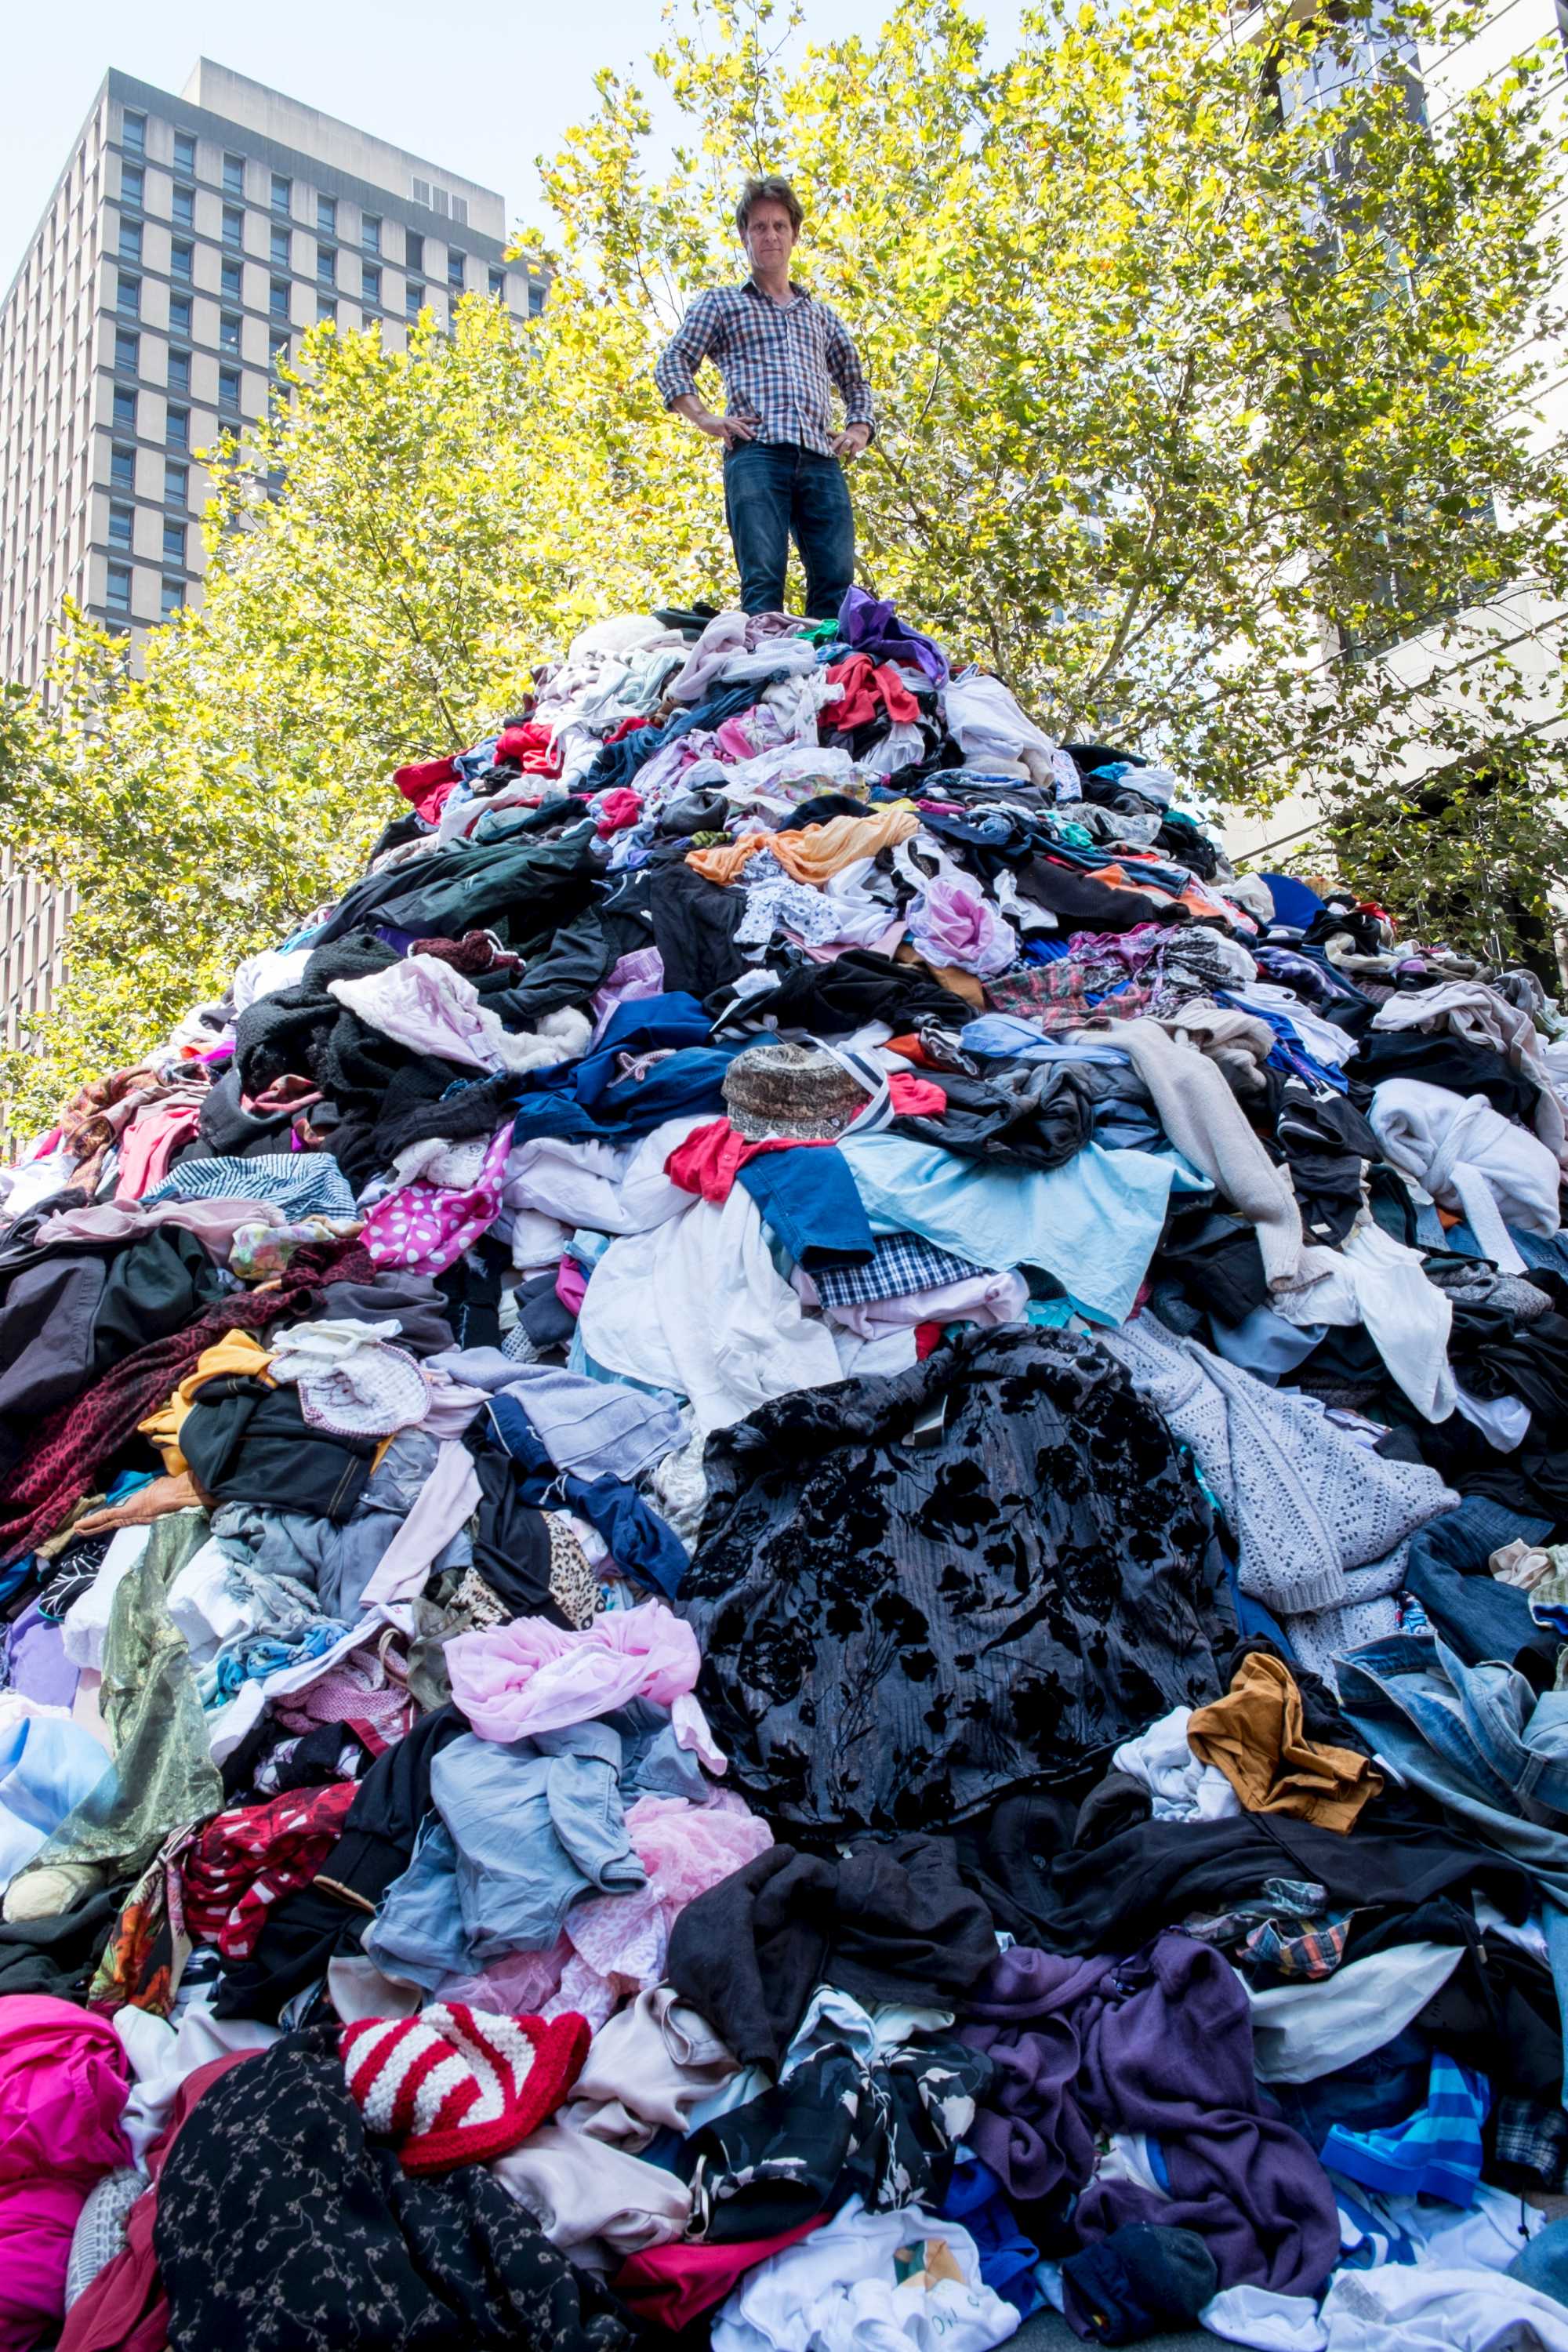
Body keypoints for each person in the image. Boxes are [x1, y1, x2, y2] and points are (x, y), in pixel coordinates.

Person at [654, 174, 875, 620]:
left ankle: (825, 678)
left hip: (819, 456)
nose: (770, 235)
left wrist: (858, 427)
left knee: (836, 578)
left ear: (794, 234)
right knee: (763, 579)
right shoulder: (722, 304)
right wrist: (706, 418)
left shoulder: (820, 315)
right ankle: (766, 680)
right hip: (756, 454)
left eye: (778, 226)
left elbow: (855, 378)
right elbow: (672, 362)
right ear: (744, 236)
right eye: (759, 227)